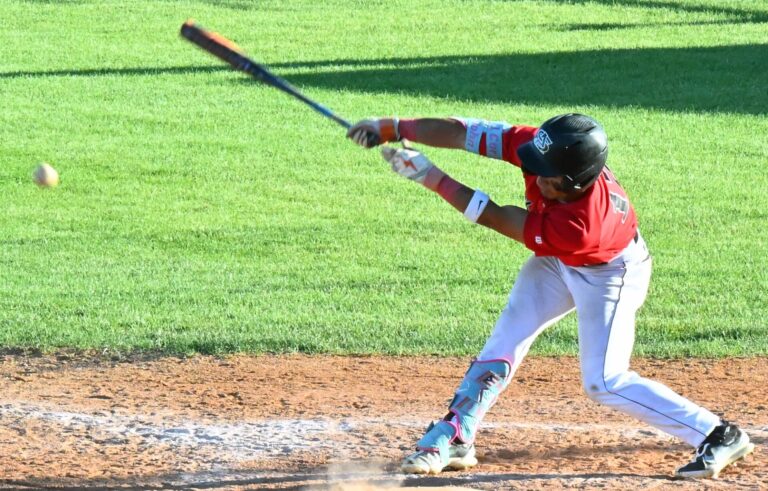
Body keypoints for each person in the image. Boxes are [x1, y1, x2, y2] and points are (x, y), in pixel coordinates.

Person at [346, 114, 754, 479]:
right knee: (509, 332)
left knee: (605, 381)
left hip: (609, 276)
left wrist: (431, 177)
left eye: (548, 176)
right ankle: (457, 433)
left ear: (575, 182)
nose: (536, 176)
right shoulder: (544, 149)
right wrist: (393, 127)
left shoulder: (581, 224)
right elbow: (463, 132)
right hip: (560, 261)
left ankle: (719, 433)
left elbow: (499, 218)